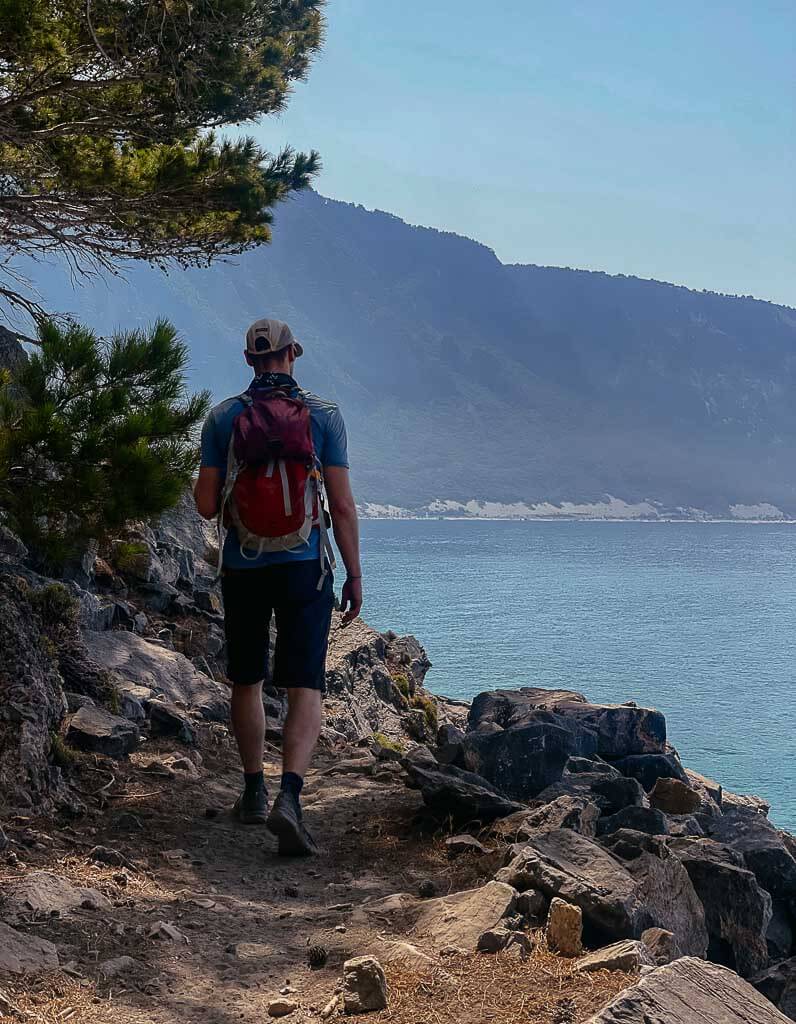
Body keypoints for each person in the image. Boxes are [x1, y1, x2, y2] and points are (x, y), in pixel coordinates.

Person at [194, 318, 362, 855]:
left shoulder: (223, 418)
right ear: (294, 354)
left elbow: (203, 504)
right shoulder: (323, 416)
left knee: (246, 679)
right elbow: (341, 506)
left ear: (248, 360)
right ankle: (290, 795)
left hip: (243, 567)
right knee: (303, 682)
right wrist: (355, 574)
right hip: (305, 566)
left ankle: (252, 791)